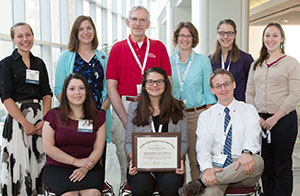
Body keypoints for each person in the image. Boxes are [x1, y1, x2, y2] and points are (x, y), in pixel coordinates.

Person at [106, 5, 171, 184]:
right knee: (125, 154)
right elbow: (111, 87)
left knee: (154, 153)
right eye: (134, 19)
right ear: (128, 22)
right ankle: (126, 188)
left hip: (154, 106)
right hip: (125, 105)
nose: (138, 23)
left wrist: (163, 109)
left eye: (142, 20)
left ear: (148, 24)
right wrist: (124, 117)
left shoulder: (158, 47)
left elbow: (168, 81)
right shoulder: (118, 48)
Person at [180, 69, 264, 196]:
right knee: (210, 193)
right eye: (218, 86)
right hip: (216, 166)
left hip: (242, 167)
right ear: (212, 90)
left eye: (227, 84)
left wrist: (246, 153)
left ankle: (202, 182)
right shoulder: (205, 116)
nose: (223, 88)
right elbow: (203, 147)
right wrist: (208, 169)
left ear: (234, 84)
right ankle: (208, 179)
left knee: (257, 161)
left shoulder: (249, 110)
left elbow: (252, 136)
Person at [54, 15, 111, 184]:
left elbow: (110, 90)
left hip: (97, 119)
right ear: (75, 33)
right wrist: (74, 112)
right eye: (81, 29)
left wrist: (100, 113)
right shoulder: (66, 57)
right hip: (71, 119)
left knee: (96, 162)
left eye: (89, 28)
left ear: (94, 31)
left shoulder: (103, 58)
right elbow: (58, 89)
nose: (86, 32)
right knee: (71, 161)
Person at [246, 23, 300, 196]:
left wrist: (275, 118)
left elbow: (295, 94)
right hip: (261, 122)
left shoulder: (291, 63)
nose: (271, 39)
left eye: (275, 35)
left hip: (283, 121)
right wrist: (257, 118)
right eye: (267, 35)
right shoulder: (256, 64)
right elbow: (249, 93)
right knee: (266, 165)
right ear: (263, 39)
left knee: (282, 166)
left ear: (282, 38)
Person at [0, 22, 52, 195]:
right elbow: (6, 98)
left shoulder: (39, 63)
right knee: (20, 167)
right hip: (17, 122)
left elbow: (46, 94)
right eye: (20, 36)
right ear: (13, 39)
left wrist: (45, 120)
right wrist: (25, 123)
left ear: (32, 36)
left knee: (39, 164)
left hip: (39, 122)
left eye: (28, 35)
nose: (25, 39)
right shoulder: (6, 64)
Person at [125, 67, 188, 196]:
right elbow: (128, 142)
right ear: (144, 85)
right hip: (142, 166)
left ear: (166, 84)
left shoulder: (179, 108)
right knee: (141, 188)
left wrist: (177, 159)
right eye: (150, 81)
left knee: (170, 188)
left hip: (170, 165)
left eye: (159, 81)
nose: (155, 85)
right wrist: (135, 160)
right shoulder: (134, 108)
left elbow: (184, 141)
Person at [42, 73, 106, 196]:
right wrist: (76, 162)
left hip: (89, 166)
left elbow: (98, 149)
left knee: (92, 193)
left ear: (87, 92)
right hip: (57, 167)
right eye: (72, 89)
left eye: (81, 88)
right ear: (65, 92)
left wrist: (85, 167)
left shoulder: (98, 116)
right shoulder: (53, 115)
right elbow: (48, 148)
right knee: (69, 194)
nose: (77, 92)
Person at [170, 21, 217, 181]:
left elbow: (209, 92)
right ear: (176, 38)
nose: (185, 39)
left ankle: (198, 190)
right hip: (173, 115)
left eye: (188, 35)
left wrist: (211, 119)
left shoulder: (203, 61)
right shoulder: (168, 61)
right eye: (181, 35)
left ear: (194, 38)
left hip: (196, 115)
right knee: (176, 159)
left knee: (196, 159)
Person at [210, 19, 253, 102]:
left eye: (229, 33)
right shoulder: (210, 60)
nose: (225, 37)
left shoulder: (246, 59)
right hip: (217, 108)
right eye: (222, 33)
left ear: (235, 35)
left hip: (240, 108)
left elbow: (252, 86)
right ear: (217, 35)